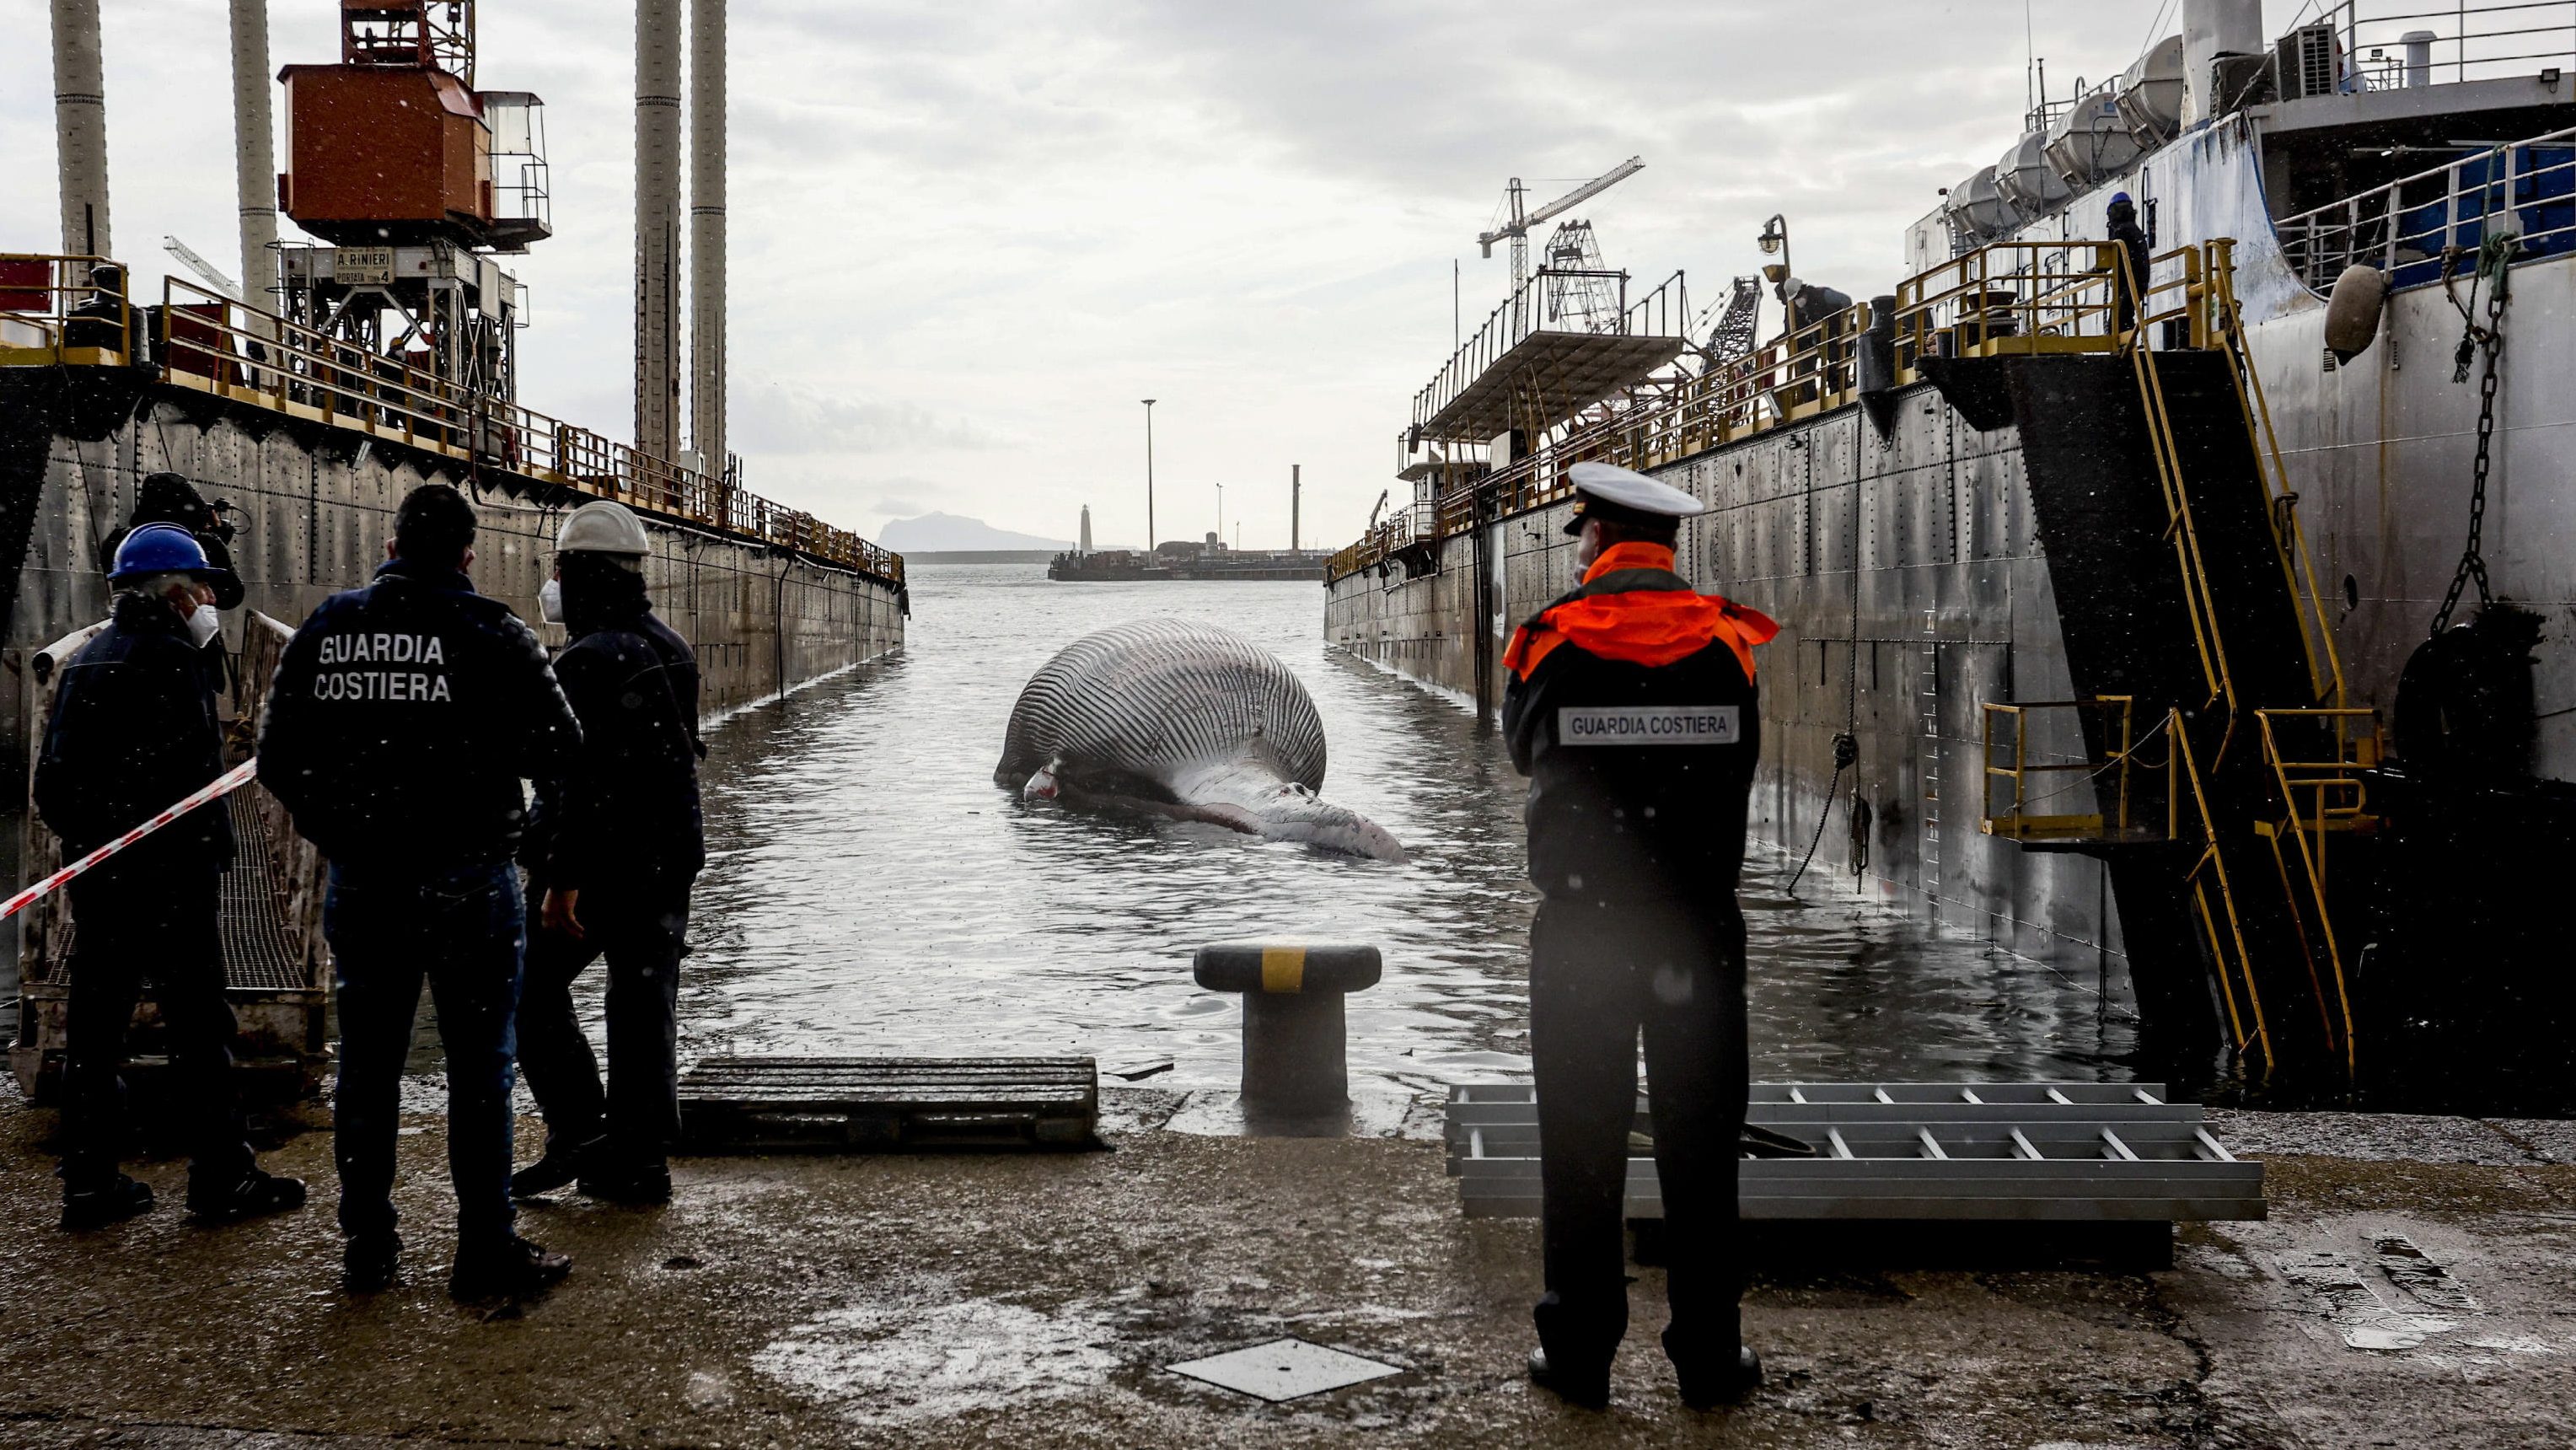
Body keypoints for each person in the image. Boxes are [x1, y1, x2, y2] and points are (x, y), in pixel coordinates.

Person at [258, 483, 582, 1300]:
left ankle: (367, 1248)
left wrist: (339, 830)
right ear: (467, 554)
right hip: (469, 881)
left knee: (367, 1067)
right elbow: (565, 761)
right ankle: (483, 1253)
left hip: (365, 882)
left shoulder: (331, 628)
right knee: (482, 1070)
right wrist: (543, 859)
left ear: (393, 545)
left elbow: (276, 759)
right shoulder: (496, 634)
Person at [1500, 460, 1778, 1410]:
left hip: (1581, 928)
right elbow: (1740, 758)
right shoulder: (1728, 644)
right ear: (1665, 549)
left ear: (1591, 541)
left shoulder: (1547, 643)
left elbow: (1520, 753)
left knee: (1579, 1143)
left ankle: (1577, 1352)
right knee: (1700, 1143)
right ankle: (1708, 1356)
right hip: (1694, 929)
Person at [35, 524, 304, 1230]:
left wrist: (99, 839)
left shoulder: (88, 661)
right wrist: (200, 857)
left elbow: (53, 790)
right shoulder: (174, 662)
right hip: (173, 885)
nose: (214, 598)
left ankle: (89, 1183)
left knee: (96, 1029)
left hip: (101, 881)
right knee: (198, 1029)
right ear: (179, 594)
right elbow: (197, 783)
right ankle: (222, 1177)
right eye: (206, 586)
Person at [510, 501, 705, 1205]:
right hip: (665, 859)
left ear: (581, 575)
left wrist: (561, 879)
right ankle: (637, 1159)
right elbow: (671, 762)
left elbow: (576, 782)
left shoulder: (587, 659)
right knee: (643, 1002)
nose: (553, 583)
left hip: (597, 865)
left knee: (528, 995)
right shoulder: (671, 646)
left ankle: (577, 1132)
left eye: (559, 569)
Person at [97, 472, 246, 614]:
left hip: (130, 625)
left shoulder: (119, 540)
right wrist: (214, 541)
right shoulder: (203, 543)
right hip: (185, 629)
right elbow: (230, 597)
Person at [2106, 192, 2153, 336]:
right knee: (2123, 316)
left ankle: (2125, 349)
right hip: (2136, 281)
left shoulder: (2121, 231)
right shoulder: (2134, 230)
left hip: (2130, 282)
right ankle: (2127, 345)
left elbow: (2109, 257)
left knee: (2118, 321)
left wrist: (2094, 271)